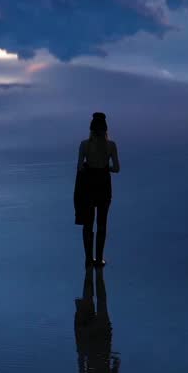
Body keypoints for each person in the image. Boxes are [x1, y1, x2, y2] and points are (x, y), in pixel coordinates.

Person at [75, 112, 120, 266]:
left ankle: (88, 259)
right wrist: (105, 168)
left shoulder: (84, 144)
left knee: (88, 223)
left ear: (91, 129)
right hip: (104, 185)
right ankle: (99, 259)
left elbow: (80, 167)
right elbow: (117, 168)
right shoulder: (111, 145)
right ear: (105, 129)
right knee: (102, 223)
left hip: (88, 186)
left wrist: (90, 166)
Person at [74, 265, 120, 373]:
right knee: (93, 300)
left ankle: (94, 272)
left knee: (101, 301)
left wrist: (109, 354)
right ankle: (94, 273)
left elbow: (116, 361)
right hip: (92, 340)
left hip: (101, 339)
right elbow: (81, 358)